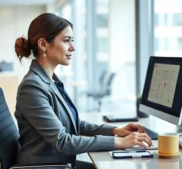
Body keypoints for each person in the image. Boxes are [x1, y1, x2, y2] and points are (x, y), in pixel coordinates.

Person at [14, 13, 152, 169]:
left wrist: (115, 131)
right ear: (43, 44)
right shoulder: (32, 87)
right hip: (45, 166)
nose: (72, 47)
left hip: (60, 163)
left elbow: (74, 124)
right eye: (66, 41)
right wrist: (118, 142)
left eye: (71, 41)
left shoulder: (51, 80)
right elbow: (62, 141)